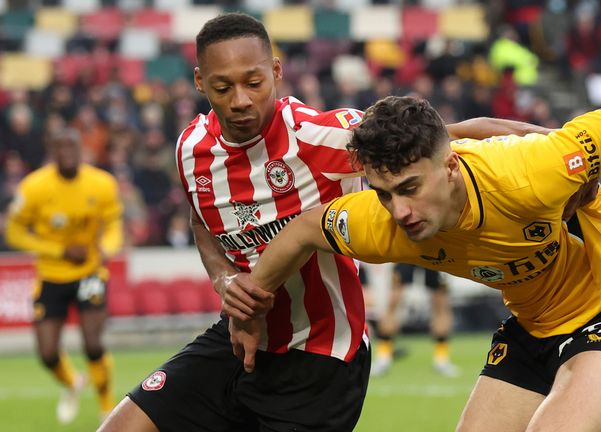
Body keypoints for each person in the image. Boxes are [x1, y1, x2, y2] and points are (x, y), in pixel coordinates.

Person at [99, 12, 554, 432]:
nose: (241, 101)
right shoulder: (190, 149)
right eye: (223, 88)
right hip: (238, 340)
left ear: (276, 72)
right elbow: (202, 221)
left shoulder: (322, 136)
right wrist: (223, 280)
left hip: (322, 358)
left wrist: (562, 152)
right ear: (199, 81)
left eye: (254, 82)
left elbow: (451, 134)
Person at [234, 90, 601, 431]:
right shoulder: (380, 222)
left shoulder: (534, 171)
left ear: (451, 167)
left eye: (411, 188)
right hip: (534, 326)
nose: (401, 211)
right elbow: (301, 231)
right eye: (385, 193)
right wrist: (251, 311)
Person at [4, 128, 123, 424]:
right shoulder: (34, 187)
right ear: (52, 152)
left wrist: (107, 248)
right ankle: (72, 382)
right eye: (60, 148)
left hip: (90, 272)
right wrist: (59, 251)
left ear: (80, 149)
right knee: (46, 353)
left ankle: (106, 409)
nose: (67, 153)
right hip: (51, 275)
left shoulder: (102, 183)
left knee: (93, 344)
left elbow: (113, 225)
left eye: (72, 147)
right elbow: (14, 232)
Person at [371, 264, 459, 377]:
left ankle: (441, 360)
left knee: (441, 302)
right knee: (394, 299)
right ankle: (383, 358)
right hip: (408, 249)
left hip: (435, 250)